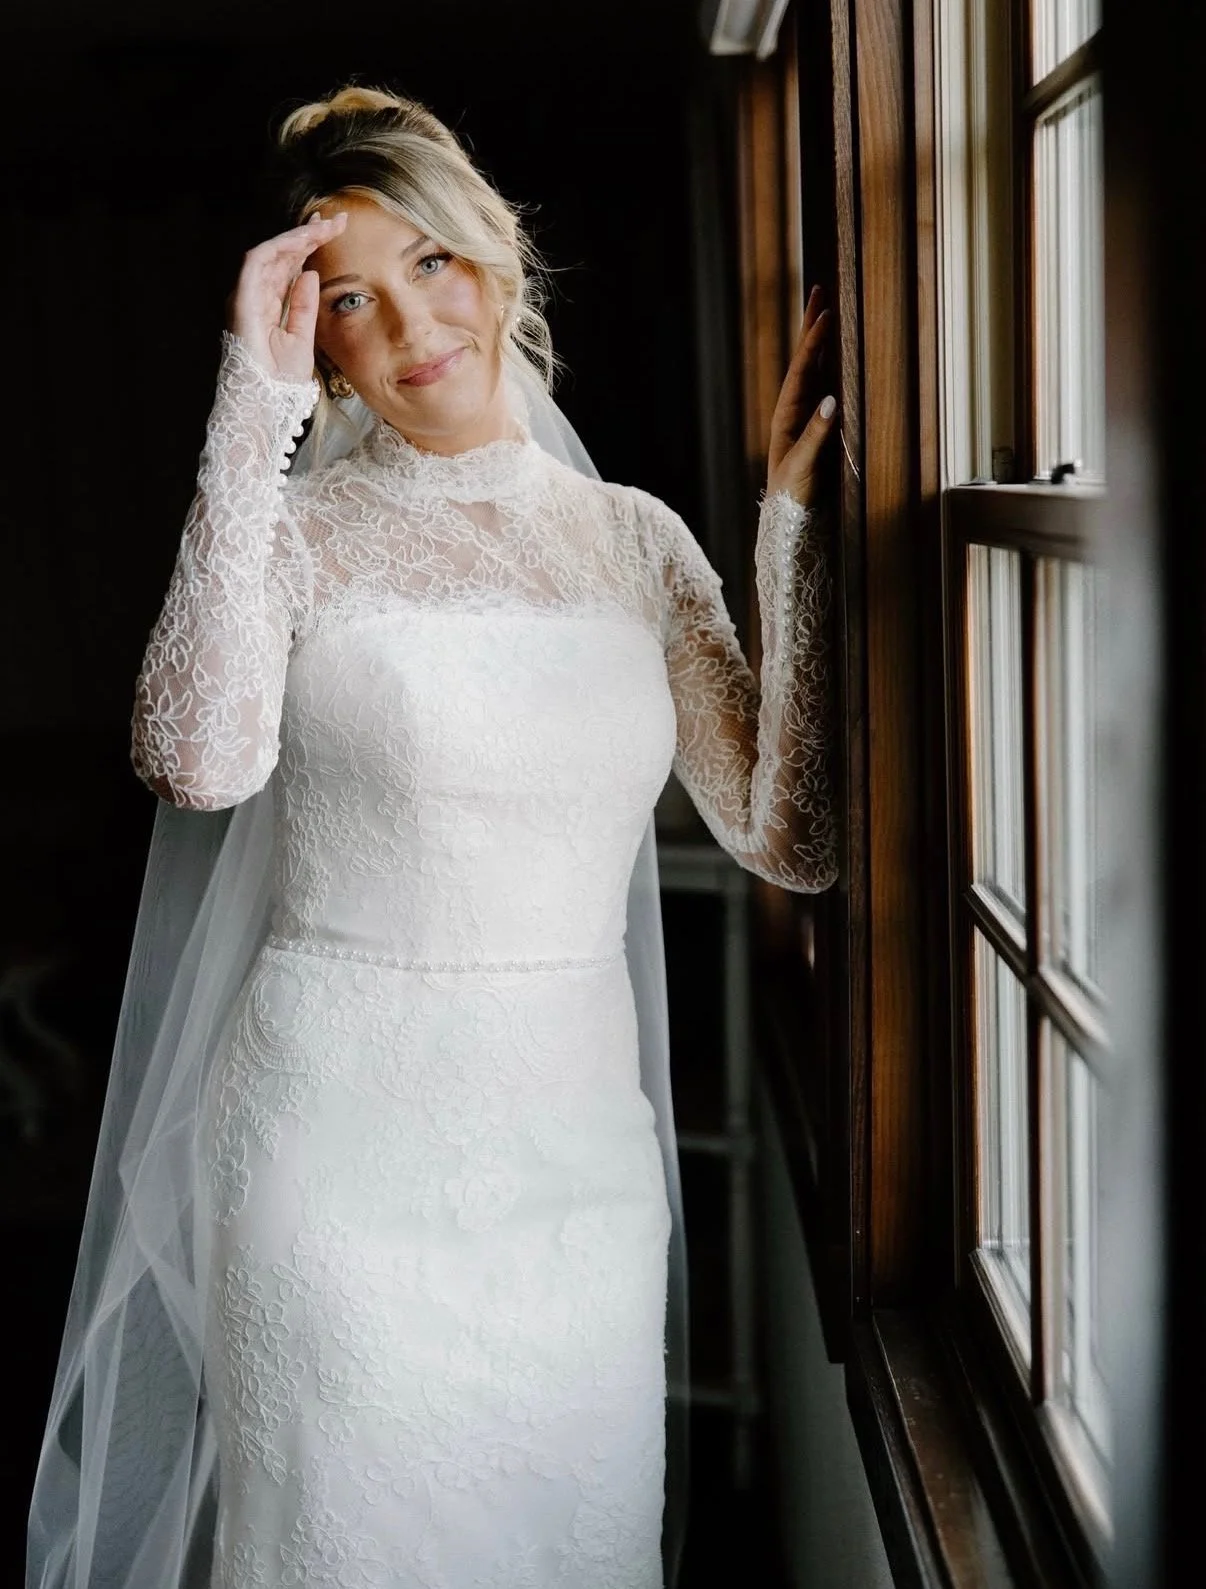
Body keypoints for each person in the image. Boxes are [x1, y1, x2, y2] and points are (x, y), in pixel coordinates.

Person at [27, 85, 838, 1589]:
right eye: (349, 296)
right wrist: (248, 413)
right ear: (312, 334)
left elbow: (787, 839)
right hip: (333, 1152)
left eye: (432, 264)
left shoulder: (637, 540)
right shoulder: (296, 536)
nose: (408, 322)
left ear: (496, 256)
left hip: (573, 1164)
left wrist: (789, 522)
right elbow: (194, 765)